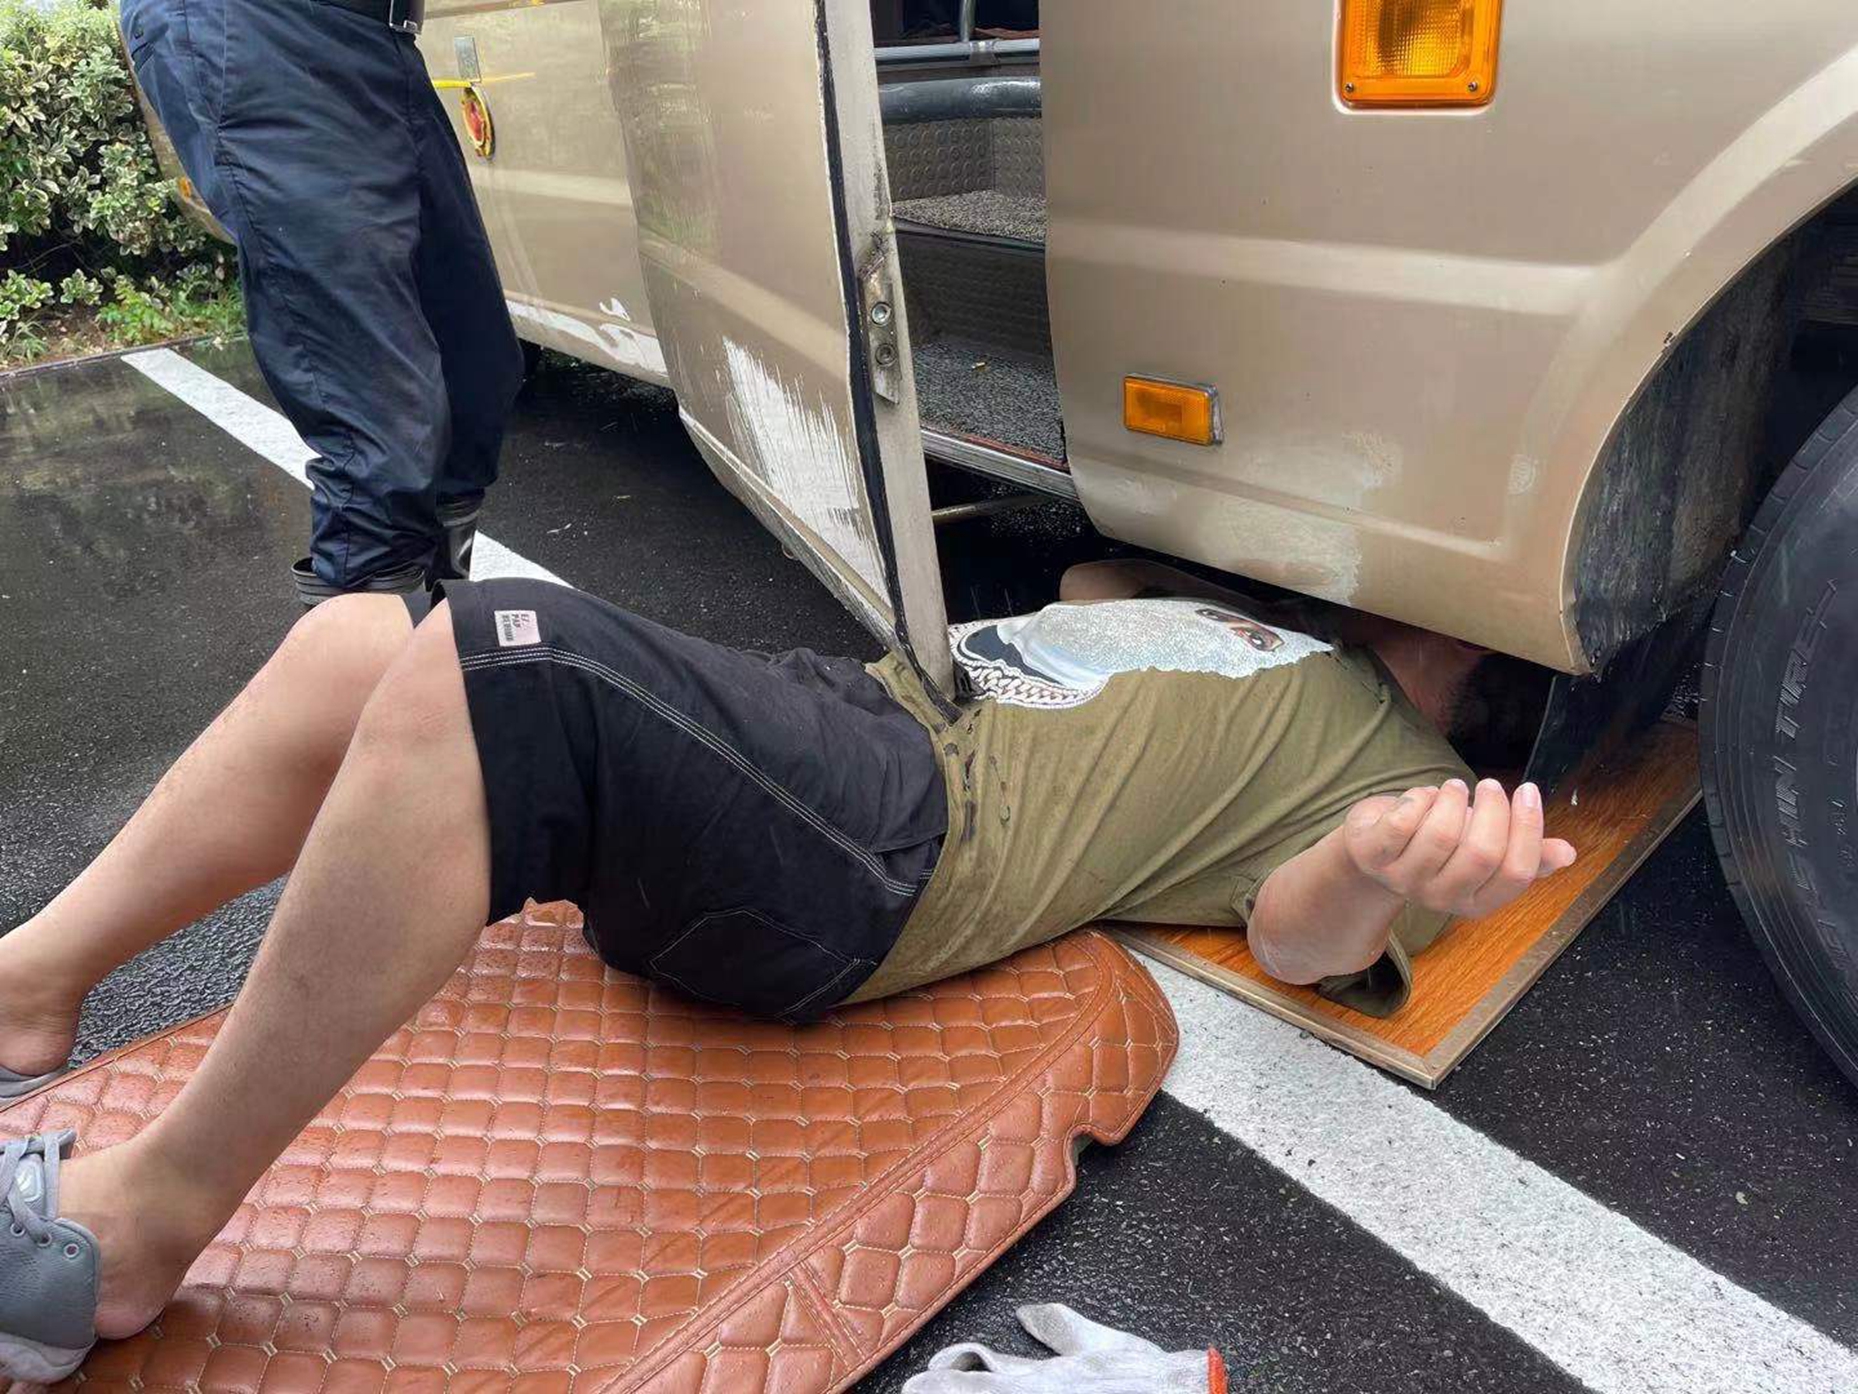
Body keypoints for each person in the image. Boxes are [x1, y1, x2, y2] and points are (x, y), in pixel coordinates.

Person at [0, 563, 1574, 1376]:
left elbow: (1295, 931)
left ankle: (139, 1224)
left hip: (889, 842)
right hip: (833, 716)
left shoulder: (1403, 768)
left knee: (502, 658)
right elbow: (1083, 599)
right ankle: (30, 979)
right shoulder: (1267, 625)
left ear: (1490, 656)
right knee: (360, 636)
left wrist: (1385, 867)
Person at [117, 0, 525, 606]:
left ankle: (434, 639)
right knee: (381, 432)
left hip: (381, 35)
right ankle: (376, 649)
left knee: (474, 377)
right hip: (259, 31)